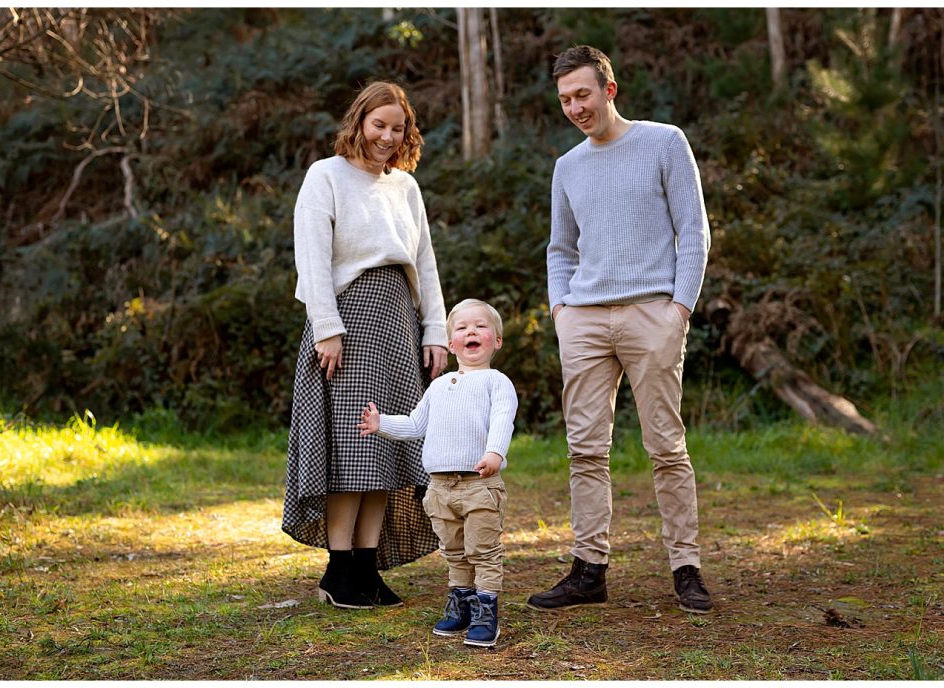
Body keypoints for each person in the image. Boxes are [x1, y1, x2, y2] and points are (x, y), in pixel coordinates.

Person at [527, 45, 714, 614]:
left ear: (610, 89)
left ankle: (686, 567)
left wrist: (678, 309)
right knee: (585, 449)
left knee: (666, 446)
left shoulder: (664, 142)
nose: (575, 107)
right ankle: (589, 569)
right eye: (564, 100)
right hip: (584, 320)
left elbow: (694, 232)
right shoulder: (567, 166)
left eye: (583, 94)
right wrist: (562, 311)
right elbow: (560, 248)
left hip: (650, 314)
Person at [282, 81, 449, 610]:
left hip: (397, 319)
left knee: (389, 447)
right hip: (347, 323)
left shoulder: (405, 187)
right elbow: (312, 256)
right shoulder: (325, 176)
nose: (387, 136)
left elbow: (424, 262)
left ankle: (367, 566)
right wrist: (326, 328)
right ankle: (339, 570)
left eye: (397, 128)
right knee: (351, 449)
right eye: (379, 125)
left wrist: (436, 330)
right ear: (358, 123)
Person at [357, 299, 518, 648]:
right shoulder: (439, 386)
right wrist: (381, 423)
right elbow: (416, 424)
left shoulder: (497, 382)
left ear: (497, 341)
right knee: (454, 549)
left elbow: (503, 419)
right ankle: (460, 600)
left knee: (483, 549)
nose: (471, 332)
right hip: (440, 488)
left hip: (479, 485)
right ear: (450, 344)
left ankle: (486, 608)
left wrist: (494, 453)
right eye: (461, 328)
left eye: (480, 326)